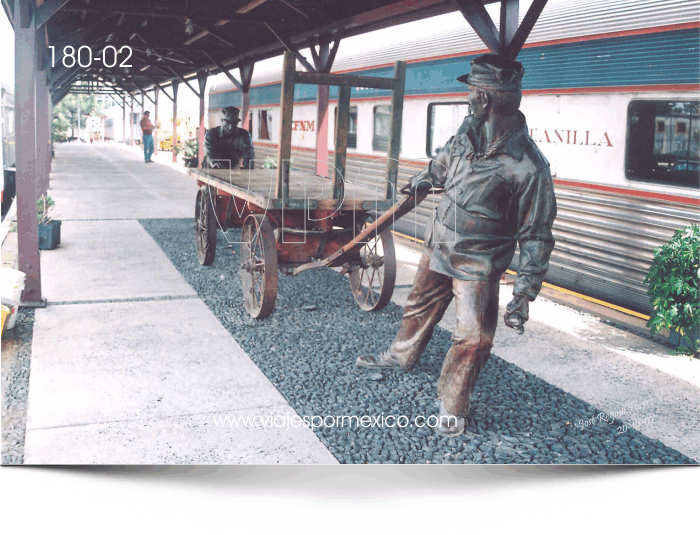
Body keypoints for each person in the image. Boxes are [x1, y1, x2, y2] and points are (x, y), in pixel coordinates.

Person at [356, 54, 557, 437]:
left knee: (474, 337)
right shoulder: (467, 134)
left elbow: (537, 234)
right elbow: (441, 166)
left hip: (478, 265)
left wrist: (524, 293)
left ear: (487, 97)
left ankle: (452, 402)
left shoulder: (528, 165)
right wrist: (420, 179)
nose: (467, 99)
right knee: (418, 306)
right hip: (441, 243)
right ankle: (401, 356)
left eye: (472, 93)